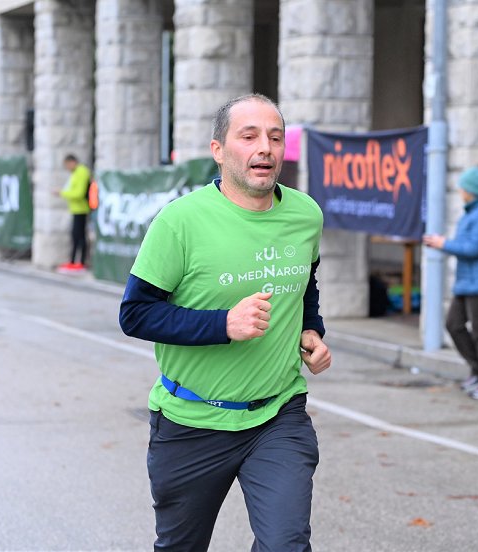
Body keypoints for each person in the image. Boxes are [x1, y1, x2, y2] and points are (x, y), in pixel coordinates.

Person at [119, 93, 331, 551]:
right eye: (249, 136)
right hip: (191, 421)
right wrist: (223, 325)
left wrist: (311, 330)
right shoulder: (180, 222)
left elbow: (305, 283)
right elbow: (135, 313)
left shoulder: (305, 215)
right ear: (218, 150)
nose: (265, 148)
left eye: (275, 137)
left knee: (286, 545)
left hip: (278, 414)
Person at [424, 167, 478, 400]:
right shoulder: (475, 212)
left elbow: (473, 248)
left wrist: (443, 244)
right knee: (454, 325)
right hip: (469, 281)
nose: (460, 191)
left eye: (463, 187)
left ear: (472, 191)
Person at [58, 154, 91, 272]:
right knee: (75, 236)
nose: (67, 168)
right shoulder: (76, 172)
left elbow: (78, 193)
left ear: (72, 162)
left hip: (81, 209)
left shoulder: (81, 172)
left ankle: (81, 262)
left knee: (80, 236)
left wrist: (62, 193)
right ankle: (73, 261)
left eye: (67, 165)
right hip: (76, 209)